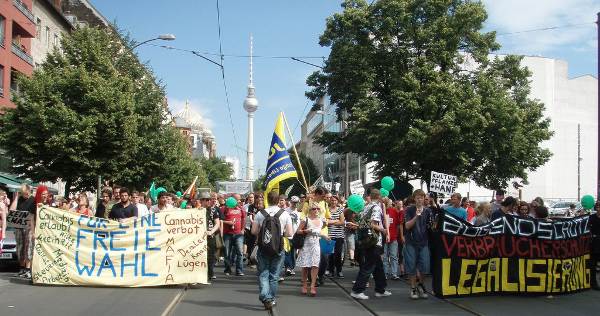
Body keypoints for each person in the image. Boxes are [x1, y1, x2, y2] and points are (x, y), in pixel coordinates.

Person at [251, 191, 293, 310]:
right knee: (274, 275)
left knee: (263, 273)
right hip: (278, 247)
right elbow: (290, 233)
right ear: (278, 200)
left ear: (267, 200)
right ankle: (271, 298)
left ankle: (265, 296)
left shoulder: (260, 213)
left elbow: (253, 231)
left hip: (263, 247)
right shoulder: (284, 214)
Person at [351, 189, 391, 300]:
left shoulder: (366, 207)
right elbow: (374, 224)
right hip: (374, 241)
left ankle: (380, 289)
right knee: (369, 266)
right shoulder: (376, 208)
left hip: (366, 240)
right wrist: (383, 230)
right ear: (379, 197)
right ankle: (357, 290)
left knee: (378, 266)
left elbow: (359, 221)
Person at [404, 189, 432, 299]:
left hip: (424, 242)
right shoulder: (409, 210)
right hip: (411, 242)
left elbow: (430, 226)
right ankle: (413, 287)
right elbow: (407, 226)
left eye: (421, 197)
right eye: (417, 197)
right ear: (414, 198)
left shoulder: (428, 211)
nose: (419, 199)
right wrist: (416, 216)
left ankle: (420, 284)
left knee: (425, 266)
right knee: (411, 265)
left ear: (424, 198)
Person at [297, 202, 329, 296]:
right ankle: (304, 285)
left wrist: (325, 236)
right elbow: (298, 231)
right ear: (309, 210)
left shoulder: (321, 221)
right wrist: (305, 231)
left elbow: (319, 232)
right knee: (306, 266)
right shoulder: (305, 220)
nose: (316, 210)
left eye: (318, 209)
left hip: (316, 245)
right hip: (306, 244)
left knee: (315, 265)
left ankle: (312, 286)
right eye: (314, 209)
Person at [301, 186, 331, 286]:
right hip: (311, 234)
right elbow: (303, 215)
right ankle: (313, 278)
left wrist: (326, 221)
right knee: (311, 258)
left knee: (324, 258)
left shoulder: (325, 203)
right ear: (317, 194)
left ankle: (320, 274)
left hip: (323, 233)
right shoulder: (308, 202)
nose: (324, 198)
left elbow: (327, 216)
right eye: (323, 196)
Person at [198, 191, 220, 281]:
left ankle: (210, 272)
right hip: (199, 236)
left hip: (210, 236)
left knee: (211, 255)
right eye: (205, 200)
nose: (207, 201)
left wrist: (211, 231)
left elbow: (217, 223)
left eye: (208, 199)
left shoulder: (213, 210)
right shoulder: (196, 210)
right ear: (201, 201)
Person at [222, 196, 246, 276]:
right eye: (237, 200)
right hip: (227, 234)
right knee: (227, 253)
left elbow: (244, 218)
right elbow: (220, 220)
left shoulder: (241, 209)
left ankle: (239, 270)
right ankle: (227, 269)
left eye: (239, 200)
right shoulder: (224, 208)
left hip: (238, 234)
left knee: (240, 253)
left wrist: (242, 229)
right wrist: (227, 222)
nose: (238, 202)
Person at [326, 195, 345, 278]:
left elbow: (342, 222)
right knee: (330, 254)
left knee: (338, 254)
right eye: (332, 200)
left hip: (339, 235)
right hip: (329, 235)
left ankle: (339, 270)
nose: (333, 202)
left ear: (337, 201)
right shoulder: (327, 210)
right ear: (330, 201)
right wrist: (336, 220)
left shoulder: (340, 210)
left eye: (335, 200)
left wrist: (331, 222)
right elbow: (325, 222)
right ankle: (331, 271)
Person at [383, 198, 401, 280]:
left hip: (393, 238)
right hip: (384, 238)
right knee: (385, 257)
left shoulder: (394, 211)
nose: (391, 204)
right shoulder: (381, 211)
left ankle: (394, 273)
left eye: (391, 203)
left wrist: (396, 234)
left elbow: (397, 224)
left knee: (394, 256)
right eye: (389, 203)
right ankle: (385, 273)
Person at [284, 195, 301, 276]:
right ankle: (288, 267)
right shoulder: (285, 211)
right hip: (287, 234)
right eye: (293, 203)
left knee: (293, 253)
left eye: (296, 203)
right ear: (290, 202)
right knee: (287, 251)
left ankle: (291, 267)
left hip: (296, 235)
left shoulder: (299, 212)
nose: (295, 204)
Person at [589, 201, 600, 290]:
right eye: (597, 206)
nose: (598, 208)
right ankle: (593, 283)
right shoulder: (592, 217)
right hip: (595, 243)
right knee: (593, 264)